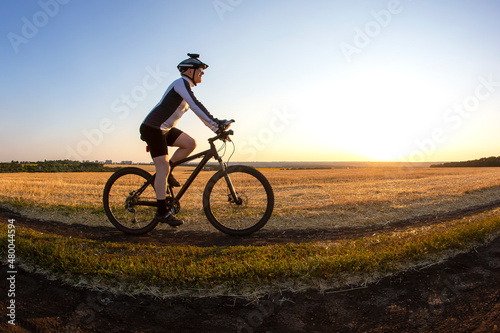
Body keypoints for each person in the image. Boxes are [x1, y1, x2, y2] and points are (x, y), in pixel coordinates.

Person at [139, 53, 223, 227]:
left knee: (190, 144)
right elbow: (195, 105)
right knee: (162, 168)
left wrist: (217, 125)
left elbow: (195, 107)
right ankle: (162, 211)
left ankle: (166, 174)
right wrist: (216, 125)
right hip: (153, 128)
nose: (203, 73)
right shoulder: (181, 83)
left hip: (164, 129)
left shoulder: (187, 87)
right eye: (200, 70)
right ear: (190, 71)